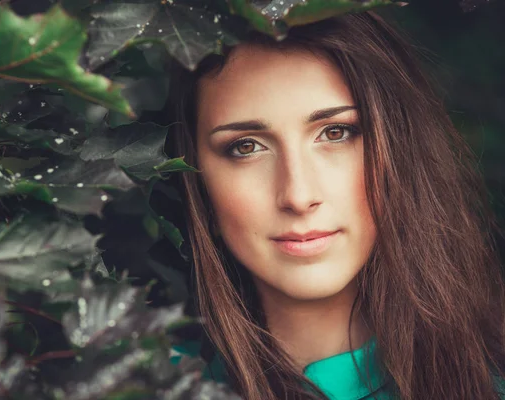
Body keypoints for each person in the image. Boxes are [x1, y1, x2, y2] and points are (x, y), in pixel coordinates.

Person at [164, 10, 505, 400]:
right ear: (196, 180)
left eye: (336, 133)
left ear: (399, 152)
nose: (298, 195)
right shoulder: (137, 385)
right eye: (246, 147)